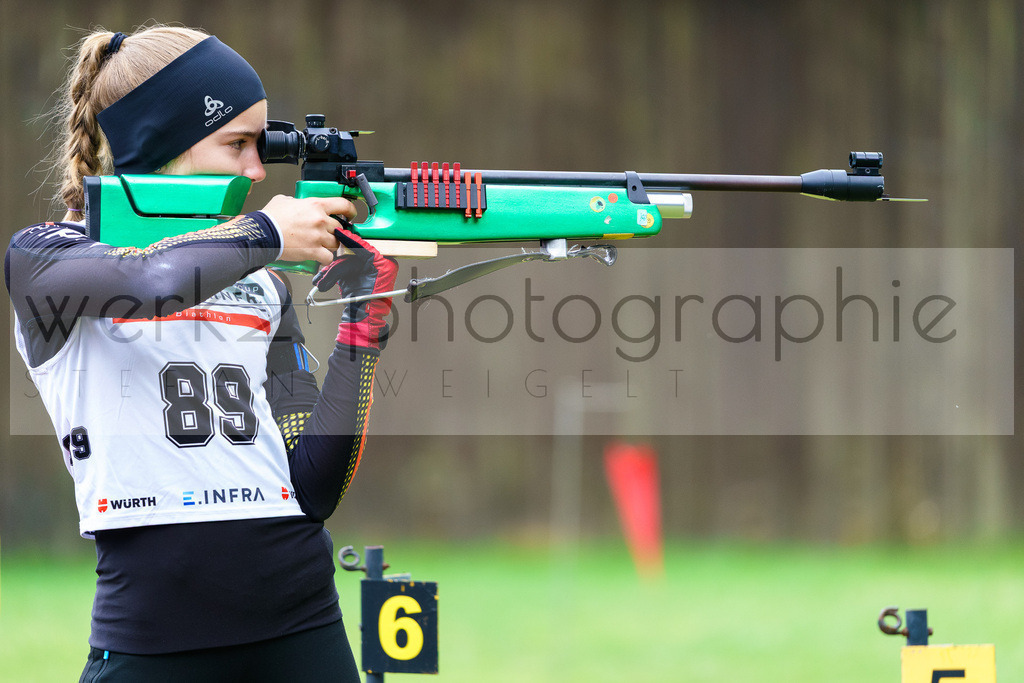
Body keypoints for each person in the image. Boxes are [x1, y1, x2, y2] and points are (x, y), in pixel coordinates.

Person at [5, 25, 397, 681]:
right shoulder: (44, 257)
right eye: (237, 143)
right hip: (153, 636)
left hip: (304, 622)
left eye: (259, 145)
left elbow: (312, 487)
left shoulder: (265, 284)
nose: (256, 169)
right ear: (159, 142)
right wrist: (267, 231)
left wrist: (365, 323)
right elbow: (148, 283)